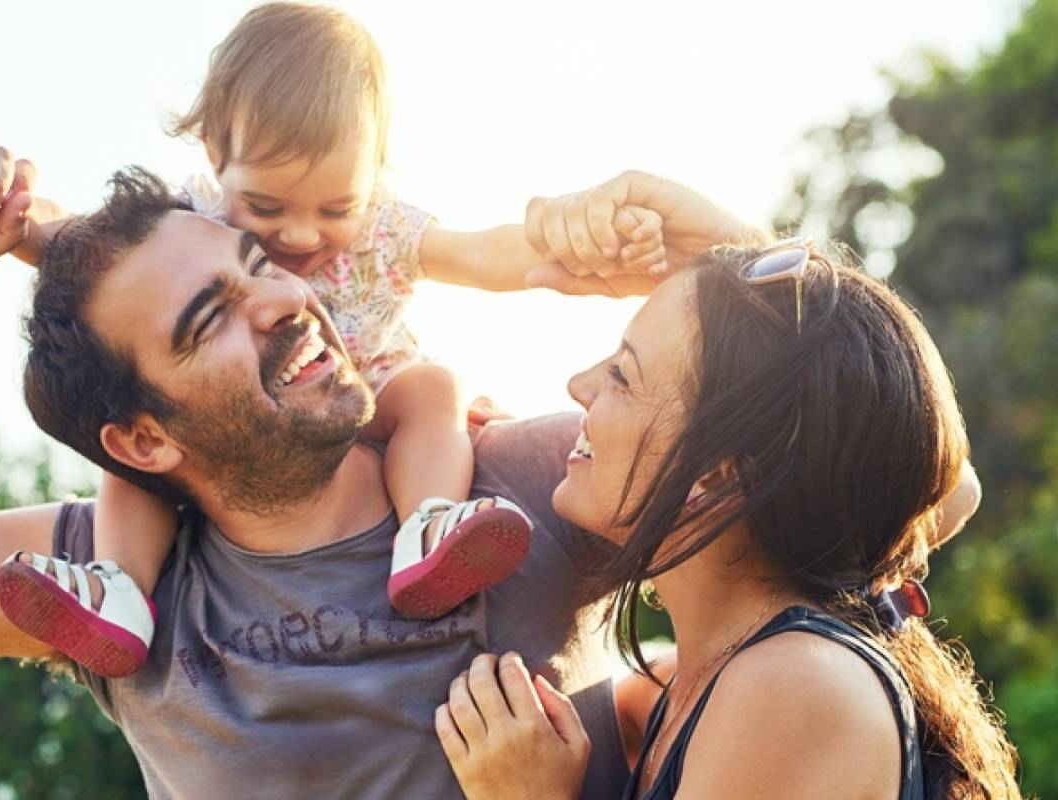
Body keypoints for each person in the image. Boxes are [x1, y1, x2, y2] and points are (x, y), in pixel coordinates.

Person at [0, 127, 686, 797]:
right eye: (208, 320)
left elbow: (779, 435)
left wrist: (710, 247)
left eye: (258, 266)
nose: (283, 301)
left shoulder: (526, 486)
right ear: (144, 442)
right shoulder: (118, 590)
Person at [0, 2, 668, 678]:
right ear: (215, 154)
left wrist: (574, 244)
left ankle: (430, 525)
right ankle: (120, 590)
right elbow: (72, 240)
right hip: (250, 424)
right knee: (142, 454)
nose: (302, 235)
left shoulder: (383, 229)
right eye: (267, 207)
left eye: (335, 207)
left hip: (369, 395)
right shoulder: (193, 221)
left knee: (434, 388)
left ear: (374, 171)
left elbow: (479, 254)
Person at [433, 173, 1020, 797]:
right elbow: (928, 484)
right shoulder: (698, 685)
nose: (580, 384)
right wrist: (748, 272)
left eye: (623, 375)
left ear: (716, 472)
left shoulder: (791, 687)